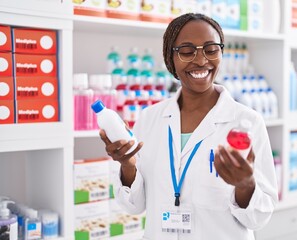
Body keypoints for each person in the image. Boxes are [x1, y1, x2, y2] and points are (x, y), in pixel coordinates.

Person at [100, 13, 278, 240]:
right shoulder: (149, 119)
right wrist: (127, 165)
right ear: (170, 58)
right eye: (187, 51)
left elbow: (259, 218)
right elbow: (134, 206)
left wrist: (245, 186)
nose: (201, 60)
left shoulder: (247, 122)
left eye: (211, 49)